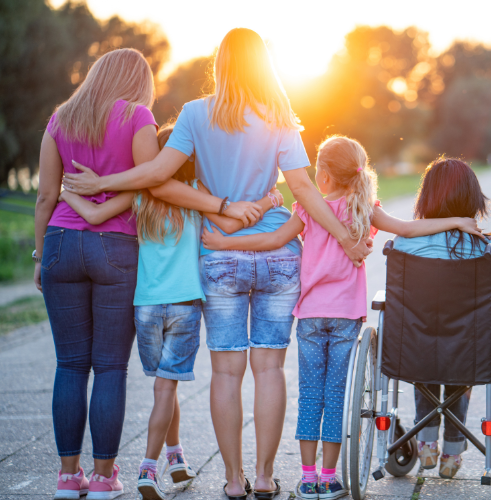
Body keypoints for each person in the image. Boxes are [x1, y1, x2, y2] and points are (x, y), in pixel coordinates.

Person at [61, 29, 372, 500]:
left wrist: (101, 181)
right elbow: (305, 190)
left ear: (219, 64)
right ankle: (265, 478)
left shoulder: (194, 114)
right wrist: (347, 238)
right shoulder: (279, 115)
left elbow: (157, 175)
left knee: (226, 373)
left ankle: (232, 481)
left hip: (222, 254)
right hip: (277, 258)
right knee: (270, 370)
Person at [201, 136, 484, 499]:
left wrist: (224, 243)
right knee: (336, 398)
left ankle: (306, 478)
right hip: (347, 318)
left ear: (323, 177)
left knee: (310, 397)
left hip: (311, 318)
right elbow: (410, 228)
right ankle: (330, 477)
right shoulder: (365, 208)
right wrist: (458, 221)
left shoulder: (307, 209)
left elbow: (273, 241)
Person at [58, 124, 281, 500]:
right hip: (185, 305)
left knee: (165, 384)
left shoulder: (141, 195)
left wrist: (67, 192)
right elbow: (229, 221)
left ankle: (175, 457)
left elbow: (95, 217)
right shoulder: (196, 194)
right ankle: (148, 467)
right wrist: (270, 202)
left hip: (145, 306)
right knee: (167, 385)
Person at [386, 158, 491, 479]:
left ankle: (425, 445)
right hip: (466, 348)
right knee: (458, 365)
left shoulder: (403, 243)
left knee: (422, 358)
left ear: (426, 197)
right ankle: (453, 452)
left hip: (415, 347)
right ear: (472, 199)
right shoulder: (486, 249)